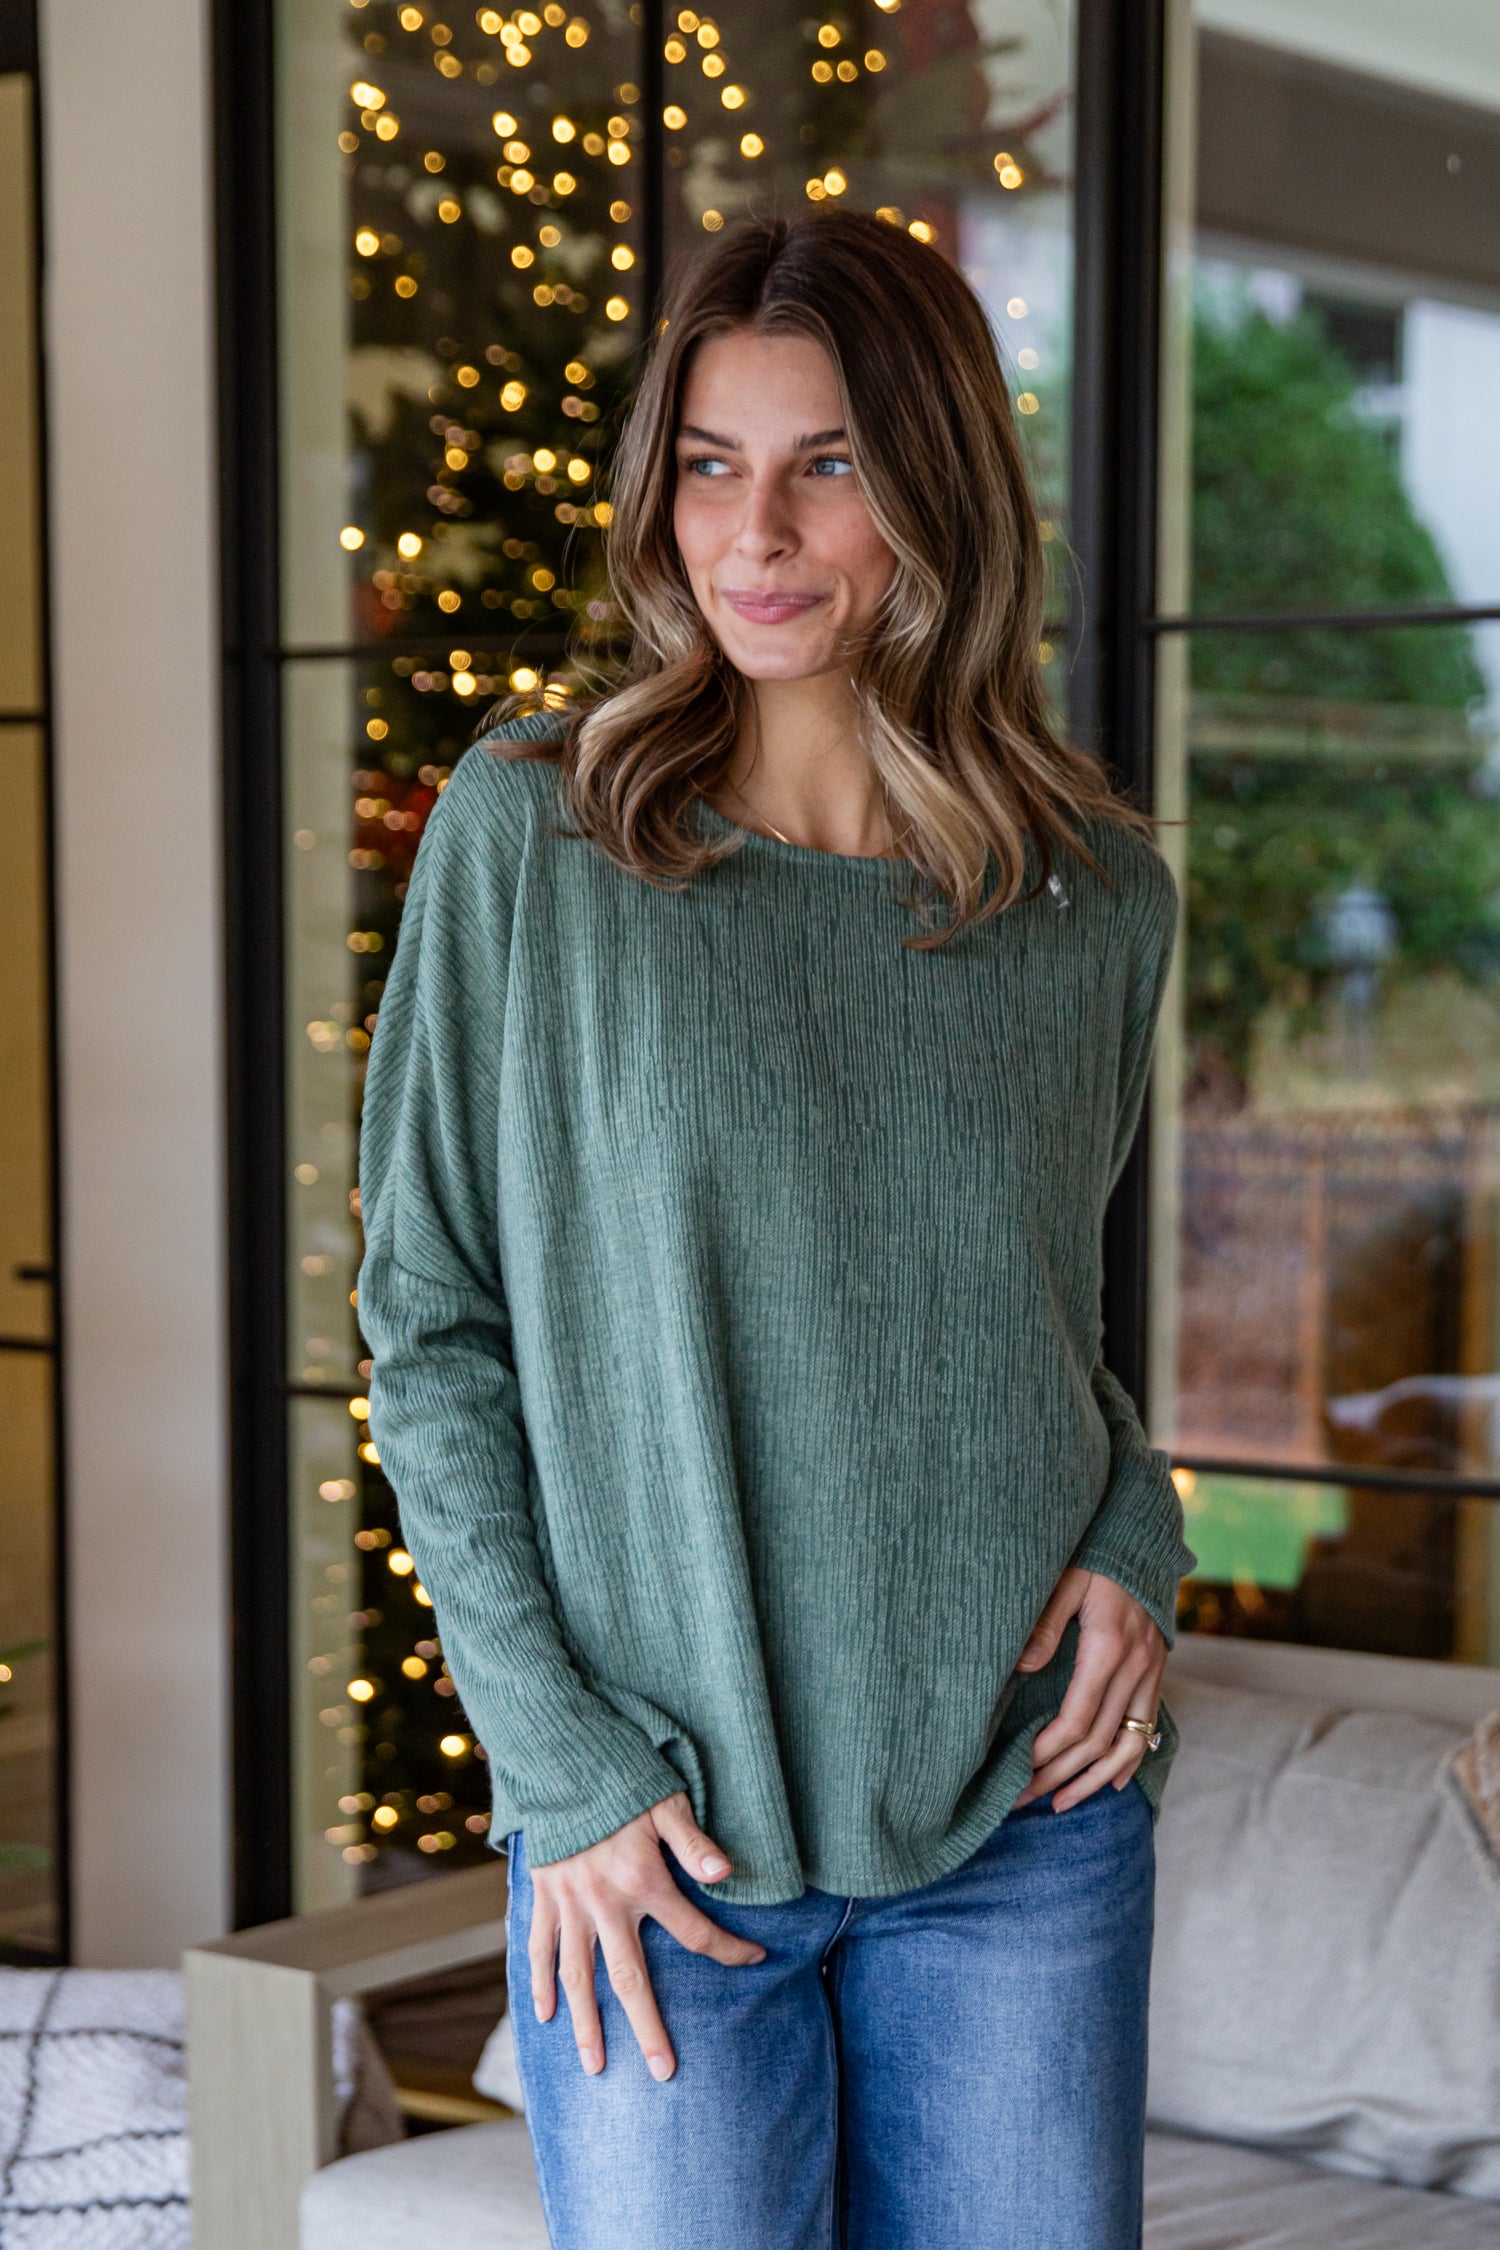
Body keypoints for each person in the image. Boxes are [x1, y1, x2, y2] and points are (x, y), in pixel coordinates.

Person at [358, 208, 1196, 2249]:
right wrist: (555, 1760)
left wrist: (1137, 1541)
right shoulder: (537, 835)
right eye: (713, 466)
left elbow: (1045, 1322)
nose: (760, 532)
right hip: (658, 1831)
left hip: (1028, 1820)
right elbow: (432, 1327)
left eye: (827, 462)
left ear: (935, 486)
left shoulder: (1088, 895)